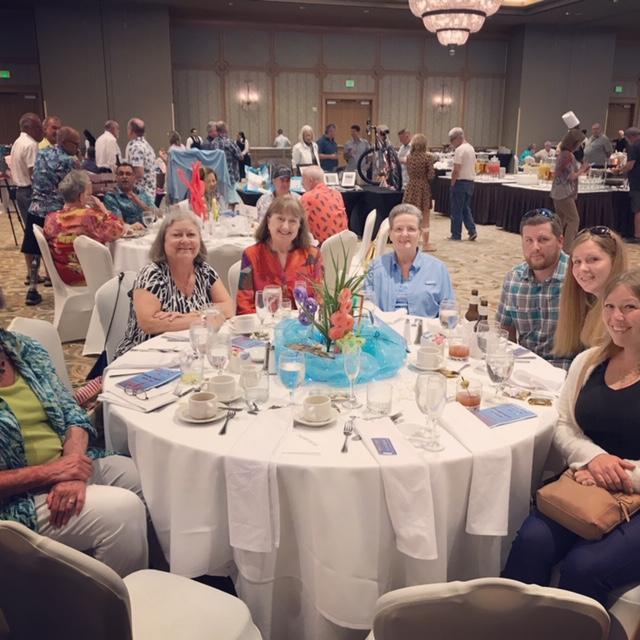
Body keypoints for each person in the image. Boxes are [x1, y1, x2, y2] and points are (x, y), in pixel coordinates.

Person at [502, 268, 640, 608]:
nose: (616, 318)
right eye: (609, 307)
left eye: (629, 307)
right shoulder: (589, 362)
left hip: (633, 495)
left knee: (584, 567)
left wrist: (617, 476)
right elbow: (563, 425)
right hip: (585, 484)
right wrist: (592, 459)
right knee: (531, 542)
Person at [0, 294, 148, 577]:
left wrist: (70, 468)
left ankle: (155, 575)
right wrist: (52, 473)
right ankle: (108, 615)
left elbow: (72, 412)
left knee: (149, 478)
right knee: (122, 512)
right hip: (16, 503)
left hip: (69, 463)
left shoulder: (21, 348)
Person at [115, 211, 234, 357]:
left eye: (191, 235)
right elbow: (148, 324)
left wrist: (186, 317)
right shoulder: (152, 274)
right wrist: (205, 318)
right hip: (145, 355)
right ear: (163, 241)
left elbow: (229, 307)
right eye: (177, 235)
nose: (185, 240)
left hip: (191, 352)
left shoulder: (204, 271)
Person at [496, 209, 570, 369]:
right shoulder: (513, 279)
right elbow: (504, 332)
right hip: (525, 371)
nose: (535, 247)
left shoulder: (578, 277)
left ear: (560, 241)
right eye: (528, 240)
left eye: (543, 240)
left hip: (567, 373)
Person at [23, 126, 81, 306]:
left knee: (34, 250)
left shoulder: (42, 153)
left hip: (35, 207)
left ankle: (32, 289)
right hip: (55, 213)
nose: (77, 148)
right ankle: (59, 284)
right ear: (64, 143)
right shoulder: (68, 160)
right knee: (57, 250)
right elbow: (74, 186)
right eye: (75, 144)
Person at [236, 196, 323, 315]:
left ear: (300, 226)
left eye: (292, 221)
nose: (285, 227)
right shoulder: (251, 256)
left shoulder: (313, 256)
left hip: (303, 328)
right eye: (280, 219)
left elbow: (322, 300)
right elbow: (243, 307)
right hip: (264, 329)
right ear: (268, 221)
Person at [365, 203, 454, 316]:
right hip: (384, 331)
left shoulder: (438, 269)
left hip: (425, 332)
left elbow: (450, 315)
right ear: (390, 234)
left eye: (411, 229)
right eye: (398, 229)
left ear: (419, 233)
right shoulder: (376, 267)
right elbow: (366, 311)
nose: (405, 234)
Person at [553, 226, 627, 360]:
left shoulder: (625, 314)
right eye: (577, 262)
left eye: (593, 259)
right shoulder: (586, 301)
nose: (582, 269)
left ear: (614, 260)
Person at [43, 171, 124, 286]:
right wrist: (103, 209)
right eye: (88, 195)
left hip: (61, 277)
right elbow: (118, 229)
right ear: (81, 197)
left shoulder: (50, 219)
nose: (90, 198)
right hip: (89, 277)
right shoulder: (89, 217)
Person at [9, 113, 44, 281]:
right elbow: (34, 174)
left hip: (20, 191)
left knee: (29, 232)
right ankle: (34, 273)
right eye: (38, 127)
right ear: (28, 127)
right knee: (36, 234)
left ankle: (32, 272)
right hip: (31, 192)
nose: (41, 130)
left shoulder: (18, 142)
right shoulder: (30, 145)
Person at [551, 128, 590, 251]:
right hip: (565, 193)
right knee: (574, 220)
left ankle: (554, 246)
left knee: (560, 221)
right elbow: (571, 176)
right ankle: (567, 249)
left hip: (557, 192)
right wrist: (582, 170)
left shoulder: (562, 154)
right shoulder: (568, 156)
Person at [402, 133, 436, 252]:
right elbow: (431, 175)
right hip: (423, 187)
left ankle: (409, 241)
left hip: (411, 187)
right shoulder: (428, 158)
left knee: (411, 216)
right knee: (425, 217)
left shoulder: (409, 157)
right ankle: (425, 244)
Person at [300, 165, 348, 245]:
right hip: (345, 245)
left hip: (323, 248)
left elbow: (300, 224)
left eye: (303, 180)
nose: (301, 183)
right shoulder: (337, 194)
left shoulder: (307, 197)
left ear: (310, 180)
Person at [448, 127, 477, 242]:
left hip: (460, 183)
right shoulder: (471, 148)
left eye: (452, 140)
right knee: (465, 208)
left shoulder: (459, 150)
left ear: (458, 138)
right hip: (470, 182)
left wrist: (452, 183)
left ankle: (456, 234)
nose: (452, 143)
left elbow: (456, 169)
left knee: (456, 210)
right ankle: (472, 231)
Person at [613, 127, 640, 243]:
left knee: (637, 209)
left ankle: (637, 236)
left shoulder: (635, 147)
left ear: (630, 138)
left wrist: (618, 170)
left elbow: (630, 165)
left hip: (637, 182)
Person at [209, 121, 243, 209]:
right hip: (230, 176)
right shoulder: (230, 142)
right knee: (232, 202)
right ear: (225, 129)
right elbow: (240, 156)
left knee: (220, 201)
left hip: (217, 177)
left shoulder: (213, 143)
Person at [124, 117, 157, 202]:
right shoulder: (146, 145)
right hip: (149, 193)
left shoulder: (136, 147)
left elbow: (139, 173)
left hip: (140, 195)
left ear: (130, 131)